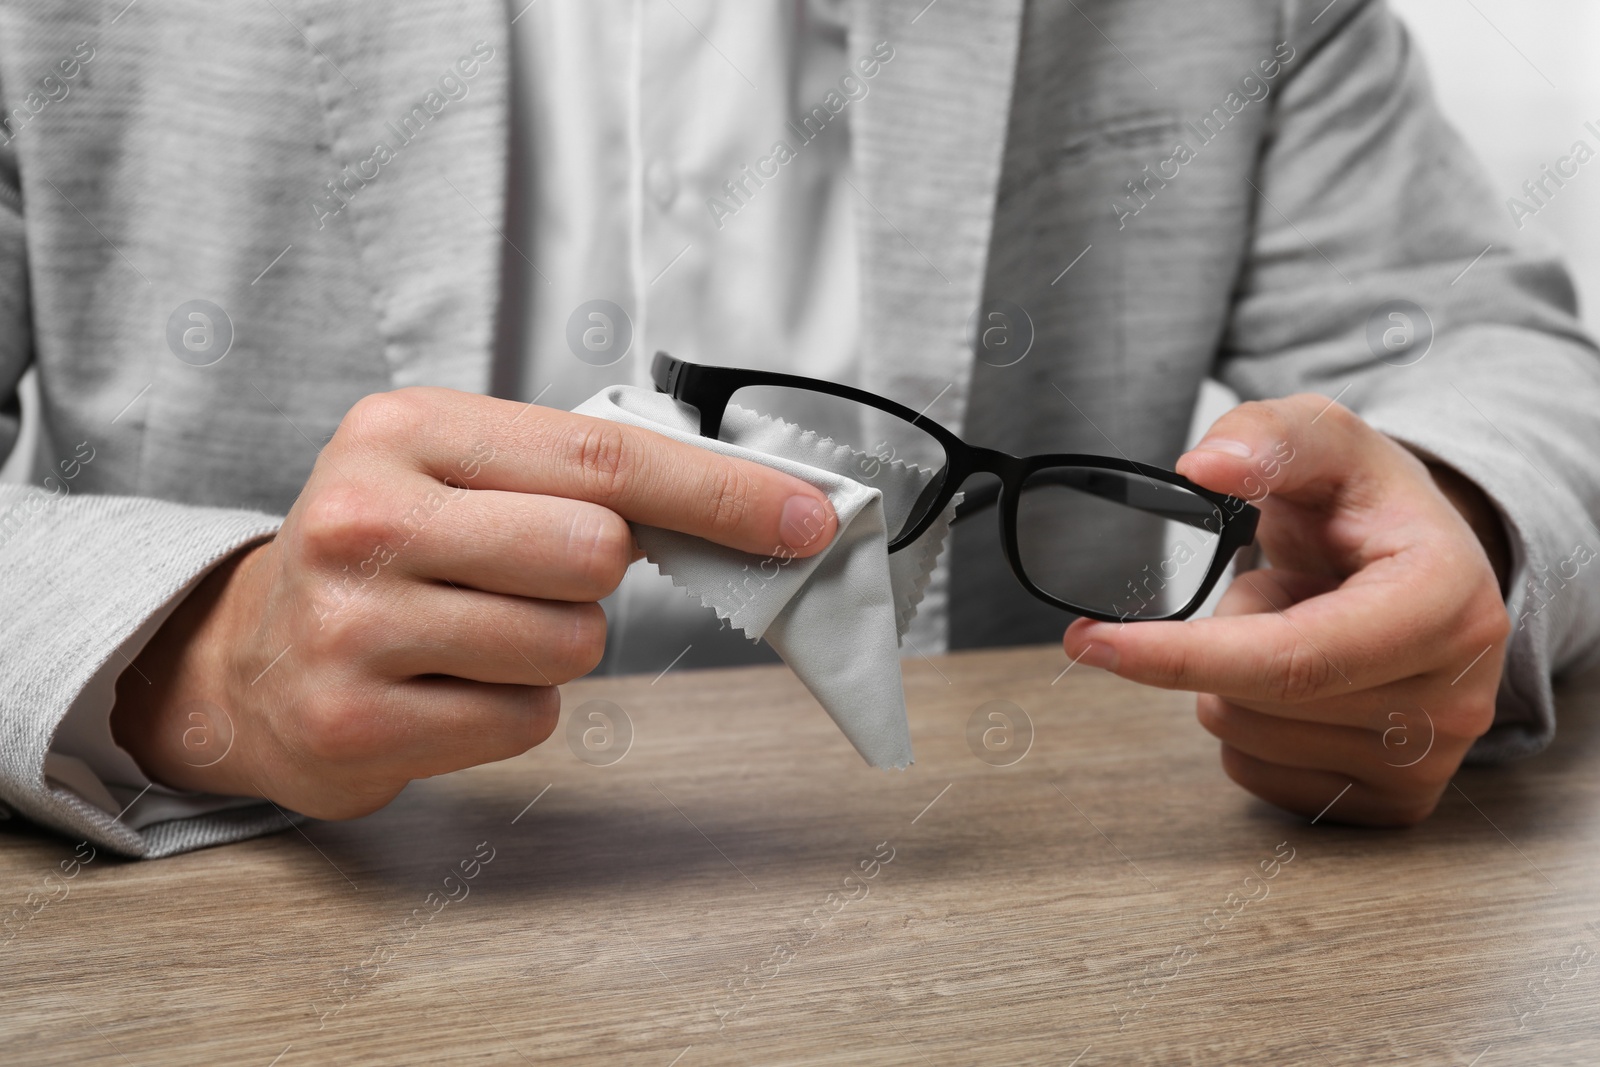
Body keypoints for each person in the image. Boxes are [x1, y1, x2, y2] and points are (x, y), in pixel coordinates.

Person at [1, 0, 1595, 858]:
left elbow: (1497, 353)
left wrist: (1449, 528)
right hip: (269, 940)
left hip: (1020, 922)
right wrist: (195, 658)